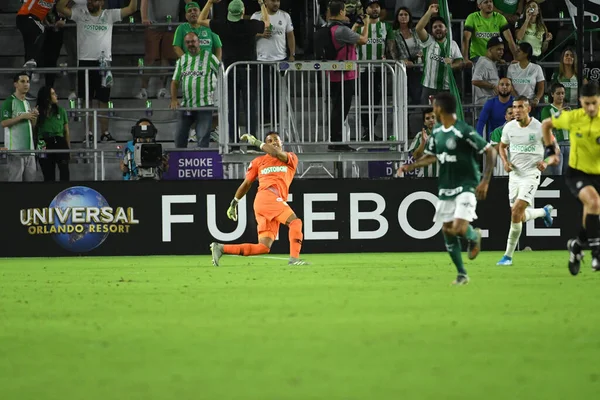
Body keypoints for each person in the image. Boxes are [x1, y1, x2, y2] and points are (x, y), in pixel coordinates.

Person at [399, 92, 498, 285]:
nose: (432, 109)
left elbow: (490, 151)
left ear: (440, 108)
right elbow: (431, 156)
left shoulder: (462, 130)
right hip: (446, 187)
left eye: (434, 106)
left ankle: (472, 235)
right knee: (447, 230)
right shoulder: (436, 132)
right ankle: (462, 274)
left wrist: (485, 181)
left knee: (458, 228)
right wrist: (410, 166)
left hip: (467, 185)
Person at [210, 131, 309, 266]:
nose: (274, 142)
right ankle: (294, 259)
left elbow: (275, 153)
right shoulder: (258, 162)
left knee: (264, 246)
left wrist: (256, 142)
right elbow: (246, 184)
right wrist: (234, 203)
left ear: (281, 143)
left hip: (271, 201)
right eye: (270, 141)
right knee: (295, 222)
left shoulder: (290, 158)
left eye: (276, 140)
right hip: (266, 197)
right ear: (266, 144)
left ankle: (221, 248)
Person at [57, 0, 139, 143]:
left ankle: (105, 133)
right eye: (88, 1)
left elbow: (132, 8)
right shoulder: (80, 14)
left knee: (104, 100)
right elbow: (60, 7)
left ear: (101, 2)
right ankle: (88, 133)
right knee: (86, 101)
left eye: (93, 1)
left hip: (104, 64)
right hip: (84, 63)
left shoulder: (110, 15)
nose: (89, 3)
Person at [542, 82, 600, 276]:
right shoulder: (572, 117)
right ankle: (596, 253)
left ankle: (576, 245)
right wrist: (551, 150)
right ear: (580, 101)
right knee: (594, 202)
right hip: (577, 173)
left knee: (591, 210)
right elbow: (546, 124)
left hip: (598, 173)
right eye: (587, 103)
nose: (591, 108)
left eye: (594, 103)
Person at [496, 96, 554, 266]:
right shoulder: (509, 128)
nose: (516, 110)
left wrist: (545, 162)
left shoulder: (540, 128)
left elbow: (555, 151)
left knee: (515, 212)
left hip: (531, 175)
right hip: (514, 176)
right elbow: (502, 146)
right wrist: (505, 162)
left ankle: (507, 256)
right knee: (518, 216)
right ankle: (544, 212)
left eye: (520, 107)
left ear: (528, 109)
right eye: (514, 107)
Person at [198, 0, 267, 143]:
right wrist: (262, 4)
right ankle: (252, 140)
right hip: (249, 70)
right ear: (243, 12)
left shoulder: (223, 25)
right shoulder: (250, 25)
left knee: (232, 107)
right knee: (250, 106)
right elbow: (266, 22)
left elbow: (200, 20)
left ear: (229, 13)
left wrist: (210, 2)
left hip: (229, 71)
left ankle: (233, 141)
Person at [323, 0, 369, 151]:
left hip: (335, 74)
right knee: (341, 108)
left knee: (338, 107)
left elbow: (349, 42)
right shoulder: (341, 30)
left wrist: (355, 26)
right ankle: (336, 141)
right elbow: (363, 40)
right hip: (345, 75)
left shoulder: (331, 27)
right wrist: (367, 24)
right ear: (342, 12)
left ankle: (336, 140)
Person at [170, 32, 220, 148]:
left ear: (199, 42)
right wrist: (173, 99)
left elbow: (221, 74)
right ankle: (180, 162)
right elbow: (175, 81)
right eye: (188, 42)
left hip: (205, 104)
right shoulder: (182, 60)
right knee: (179, 137)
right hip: (186, 105)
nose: (191, 44)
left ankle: (202, 163)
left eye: (193, 41)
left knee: (203, 138)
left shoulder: (209, 57)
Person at [136, 0, 192, 100]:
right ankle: (143, 89)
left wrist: (193, 13)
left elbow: (189, 2)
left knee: (166, 57)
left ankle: (162, 89)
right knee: (151, 59)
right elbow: (144, 1)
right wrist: (144, 17)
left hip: (171, 25)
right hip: (153, 25)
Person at [355, 0, 394, 140]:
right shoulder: (359, 27)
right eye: (371, 7)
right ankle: (365, 130)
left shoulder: (386, 27)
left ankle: (371, 130)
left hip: (379, 70)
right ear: (366, 9)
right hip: (362, 70)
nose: (375, 9)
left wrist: (390, 57)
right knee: (364, 101)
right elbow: (352, 46)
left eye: (377, 6)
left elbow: (391, 47)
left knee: (376, 101)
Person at [415, 5, 464, 105]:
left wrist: (452, 65)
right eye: (434, 27)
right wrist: (429, 12)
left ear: (446, 29)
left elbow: (460, 62)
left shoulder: (452, 44)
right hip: (429, 87)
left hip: (446, 88)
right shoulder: (428, 41)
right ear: (431, 31)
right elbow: (418, 29)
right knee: (429, 116)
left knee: (446, 118)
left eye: (440, 26)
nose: (437, 29)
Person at [1, 72, 39, 182]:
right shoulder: (9, 101)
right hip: (15, 151)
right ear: (15, 84)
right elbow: (4, 123)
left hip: (30, 150)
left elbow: (32, 125)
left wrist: (34, 116)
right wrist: (22, 117)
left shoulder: (27, 103)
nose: (26, 84)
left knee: (31, 184)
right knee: (15, 184)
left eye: (28, 82)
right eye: (22, 81)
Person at [463, 0, 518, 67]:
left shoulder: (500, 18)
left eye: (491, 2)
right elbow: (466, 39)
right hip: (478, 57)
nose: (489, 4)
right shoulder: (472, 17)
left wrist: (516, 58)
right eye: (486, 2)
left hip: (495, 58)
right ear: (479, 6)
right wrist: (465, 58)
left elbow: (510, 39)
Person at [36, 86, 70, 181]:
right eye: (53, 94)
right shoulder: (37, 112)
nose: (56, 95)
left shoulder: (61, 111)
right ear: (47, 97)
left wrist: (68, 149)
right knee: (48, 175)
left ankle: (65, 195)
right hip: (42, 143)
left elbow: (66, 131)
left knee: (64, 173)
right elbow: (33, 129)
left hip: (59, 141)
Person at [389, 7, 421, 104]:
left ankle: (407, 116)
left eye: (406, 14)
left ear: (410, 17)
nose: (403, 17)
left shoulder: (415, 31)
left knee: (417, 97)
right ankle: (404, 117)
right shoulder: (394, 33)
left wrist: (421, 55)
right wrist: (402, 61)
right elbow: (392, 51)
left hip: (417, 67)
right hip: (402, 68)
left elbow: (423, 45)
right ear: (397, 17)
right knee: (404, 97)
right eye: (401, 15)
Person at [16, 0, 57, 70]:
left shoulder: (53, 1)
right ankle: (32, 59)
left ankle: (28, 70)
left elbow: (42, 11)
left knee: (29, 44)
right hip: (26, 17)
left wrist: (48, 23)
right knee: (41, 30)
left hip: (34, 20)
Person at [540, 83, 569, 175]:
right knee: (557, 176)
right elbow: (546, 127)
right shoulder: (547, 110)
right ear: (552, 94)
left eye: (562, 93)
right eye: (558, 93)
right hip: (556, 145)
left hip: (569, 144)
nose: (561, 96)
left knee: (568, 176)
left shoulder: (568, 110)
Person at [507, 42, 545, 109]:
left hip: (530, 103)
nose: (516, 53)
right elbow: (509, 85)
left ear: (525, 53)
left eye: (519, 51)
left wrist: (537, 99)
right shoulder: (511, 67)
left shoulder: (536, 68)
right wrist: (518, 99)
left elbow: (541, 87)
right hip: (515, 103)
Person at [472, 36, 505, 105]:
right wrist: (493, 86)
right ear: (490, 50)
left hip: (491, 103)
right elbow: (475, 81)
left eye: (502, 50)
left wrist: (499, 60)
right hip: (484, 104)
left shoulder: (491, 62)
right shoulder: (483, 62)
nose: (501, 52)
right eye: (498, 49)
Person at [406, 107, 437, 177]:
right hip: (424, 179)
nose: (431, 120)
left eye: (433, 117)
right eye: (427, 118)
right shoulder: (420, 135)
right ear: (424, 123)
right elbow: (415, 156)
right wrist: (423, 143)